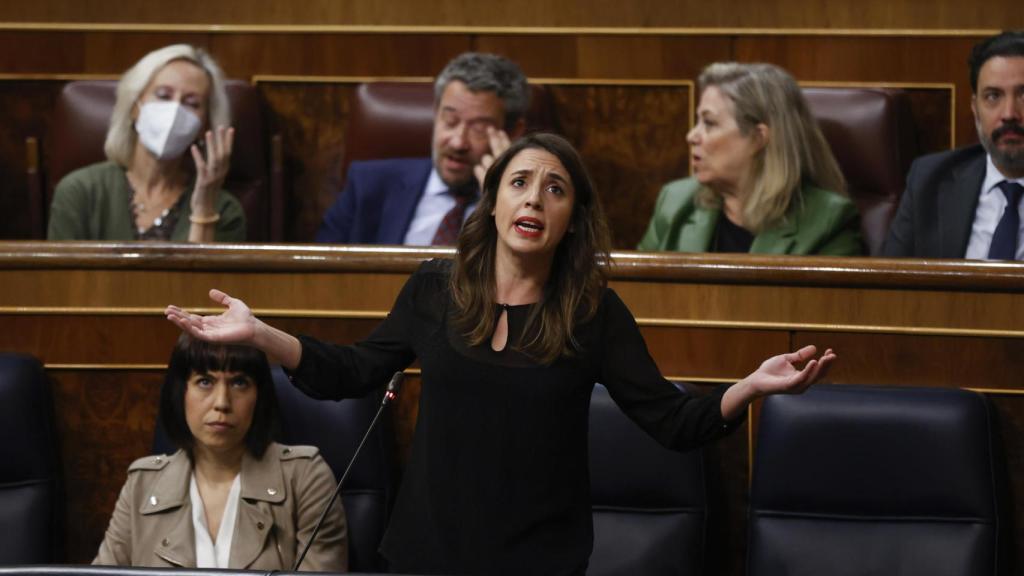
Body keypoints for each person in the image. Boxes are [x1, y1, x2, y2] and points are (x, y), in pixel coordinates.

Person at [167, 133, 835, 575]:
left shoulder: (591, 312)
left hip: (538, 562)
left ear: (572, 217)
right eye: (520, 182)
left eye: (555, 188)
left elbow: (673, 421)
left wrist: (750, 386)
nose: (535, 198)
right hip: (425, 555)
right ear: (492, 205)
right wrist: (260, 335)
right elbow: (352, 372)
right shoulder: (436, 289)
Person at [93, 334, 347, 570]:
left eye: (239, 383)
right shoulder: (143, 484)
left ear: (259, 395)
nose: (222, 402)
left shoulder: (304, 477)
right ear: (181, 393)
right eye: (205, 381)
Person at [638, 62, 863, 255]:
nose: (691, 136)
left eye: (709, 123)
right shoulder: (675, 202)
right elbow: (636, 293)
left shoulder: (830, 222)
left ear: (758, 137)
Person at [315, 51, 528, 245]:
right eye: (450, 120)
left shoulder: (527, 205)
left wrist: (500, 200)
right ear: (435, 113)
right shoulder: (368, 185)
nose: (458, 142)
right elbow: (320, 274)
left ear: (513, 132)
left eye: (479, 128)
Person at [48, 44, 245, 242]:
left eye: (192, 103)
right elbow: (63, 273)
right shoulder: (80, 191)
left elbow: (204, 274)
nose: (174, 110)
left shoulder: (223, 209)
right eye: (163, 96)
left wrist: (204, 211)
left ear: (204, 126)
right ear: (135, 107)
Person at [884, 30, 1024, 260]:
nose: (1009, 114)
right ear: (975, 108)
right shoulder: (929, 181)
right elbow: (888, 285)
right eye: (993, 96)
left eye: (1023, 95)